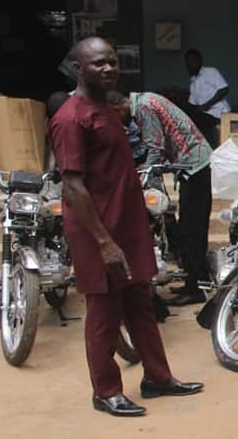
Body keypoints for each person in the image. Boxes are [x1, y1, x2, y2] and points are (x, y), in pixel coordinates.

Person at [48, 37, 203, 417]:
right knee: (104, 314)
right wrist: (103, 242)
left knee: (141, 306)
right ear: (78, 68)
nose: (108, 68)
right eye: (98, 63)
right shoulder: (71, 118)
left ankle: (158, 377)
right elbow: (72, 185)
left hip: (127, 227)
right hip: (98, 233)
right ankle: (106, 390)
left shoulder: (108, 109)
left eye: (113, 61)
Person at [107, 90, 213, 306]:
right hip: (193, 165)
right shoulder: (146, 100)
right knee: (189, 227)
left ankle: (196, 289)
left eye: (114, 118)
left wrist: (140, 178)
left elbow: (155, 148)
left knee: (191, 230)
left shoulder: (144, 108)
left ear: (117, 108)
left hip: (194, 166)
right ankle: (194, 282)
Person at [185, 48, 230, 148]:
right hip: (205, 116)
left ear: (199, 61)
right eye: (187, 63)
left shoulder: (210, 72)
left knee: (198, 121)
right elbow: (191, 104)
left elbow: (224, 89)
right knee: (186, 120)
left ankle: (208, 150)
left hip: (219, 114)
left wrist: (206, 105)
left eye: (192, 62)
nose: (189, 66)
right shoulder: (193, 81)